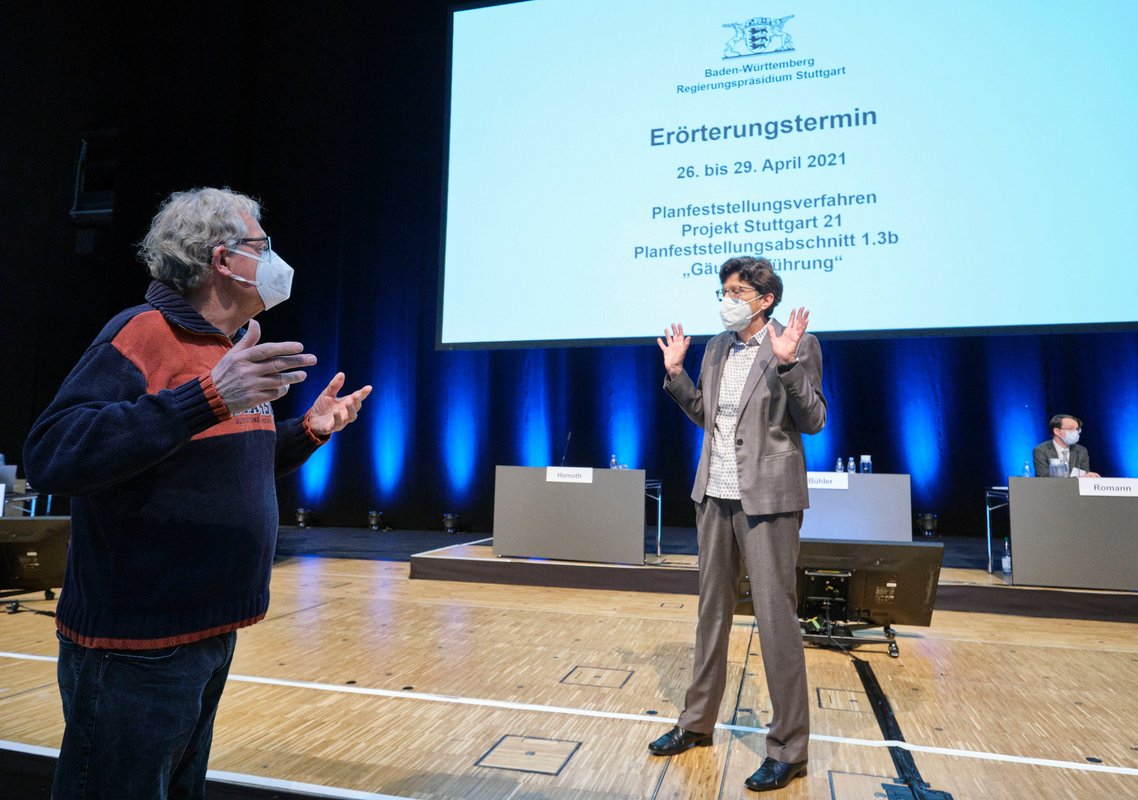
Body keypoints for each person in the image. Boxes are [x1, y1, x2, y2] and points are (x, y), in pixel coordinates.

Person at [23, 187, 372, 800]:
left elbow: (228, 466)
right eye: (263, 246)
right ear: (223, 260)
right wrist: (206, 397)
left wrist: (306, 433)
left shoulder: (227, 351)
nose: (275, 261)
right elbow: (53, 453)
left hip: (207, 630)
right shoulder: (141, 334)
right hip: (136, 646)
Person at [649, 256, 826, 793]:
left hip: (768, 500)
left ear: (764, 299)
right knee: (711, 614)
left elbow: (814, 420)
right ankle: (696, 723)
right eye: (723, 289)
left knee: (776, 620)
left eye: (736, 290)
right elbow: (709, 415)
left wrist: (790, 365)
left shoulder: (798, 345)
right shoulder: (718, 346)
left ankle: (789, 747)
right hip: (715, 495)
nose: (726, 298)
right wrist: (677, 374)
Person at [1032, 414, 1098, 477]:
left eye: (1077, 429)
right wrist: (1073, 478)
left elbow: (1085, 474)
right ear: (1056, 431)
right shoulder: (1041, 450)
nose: (1075, 432)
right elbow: (1043, 475)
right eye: (1071, 429)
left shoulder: (1081, 450)